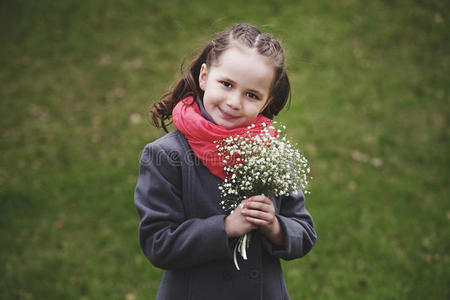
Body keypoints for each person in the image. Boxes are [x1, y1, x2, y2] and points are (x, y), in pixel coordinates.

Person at [134, 23, 316, 300]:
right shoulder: (166, 155)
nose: (234, 102)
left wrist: (275, 226)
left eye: (251, 94)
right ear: (205, 77)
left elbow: (304, 233)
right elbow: (158, 243)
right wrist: (226, 227)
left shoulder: (272, 152)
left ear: (266, 102)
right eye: (227, 84)